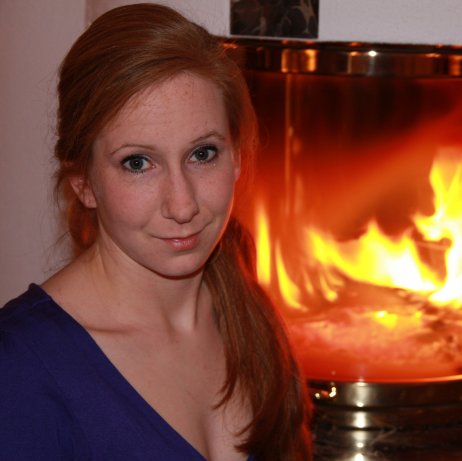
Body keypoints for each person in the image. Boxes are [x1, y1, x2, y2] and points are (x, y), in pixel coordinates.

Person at [0, 3, 312, 460]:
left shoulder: (247, 308)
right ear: (83, 182)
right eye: (138, 163)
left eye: (202, 154)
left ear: (238, 157)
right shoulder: (20, 369)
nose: (182, 205)